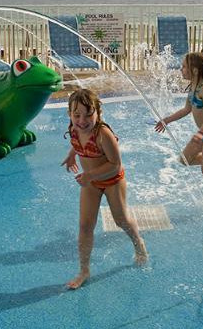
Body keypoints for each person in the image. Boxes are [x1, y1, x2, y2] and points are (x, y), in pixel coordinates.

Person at [61, 89, 148, 289]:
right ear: (70, 115)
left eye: (88, 114)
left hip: (112, 181)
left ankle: (138, 244)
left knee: (121, 220)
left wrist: (90, 175)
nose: (82, 120)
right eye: (77, 115)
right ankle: (84, 270)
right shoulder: (75, 129)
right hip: (91, 183)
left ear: (98, 113)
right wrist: (72, 154)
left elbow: (115, 164)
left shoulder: (103, 134)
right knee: (84, 226)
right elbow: (78, 141)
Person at [154, 52, 203, 211]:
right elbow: (186, 110)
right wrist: (166, 120)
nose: (181, 70)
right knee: (185, 160)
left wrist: (201, 133)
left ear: (195, 70)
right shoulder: (192, 88)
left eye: (184, 67)